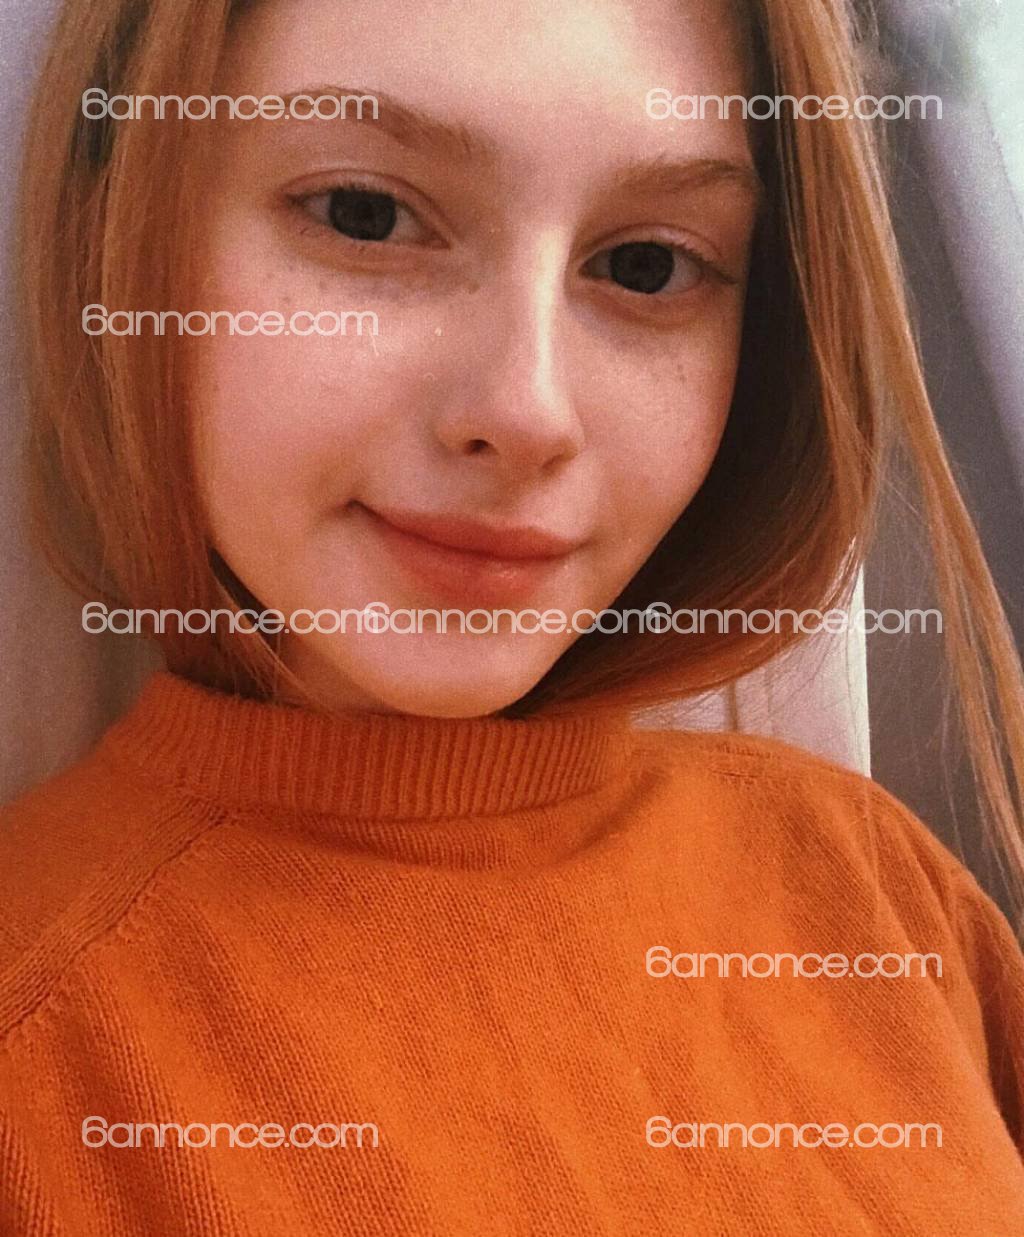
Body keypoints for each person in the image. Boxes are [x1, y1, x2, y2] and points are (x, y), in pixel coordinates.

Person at [2, 0, 1023, 1232]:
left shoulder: (866, 877)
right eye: (365, 214)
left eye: (646, 267)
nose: (528, 410)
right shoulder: (39, 1034)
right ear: (116, 234)